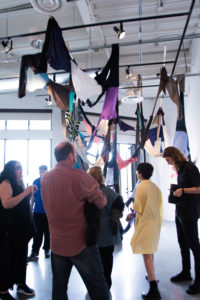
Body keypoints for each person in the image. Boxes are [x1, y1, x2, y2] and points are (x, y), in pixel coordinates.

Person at [41, 141, 110, 300]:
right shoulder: (79, 176)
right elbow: (101, 202)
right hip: (81, 243)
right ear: (71, 156)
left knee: (59, 289)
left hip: (57, 243)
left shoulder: (45, 178)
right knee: (97, 286)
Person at [163, 146, 200, 295]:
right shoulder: (181, 169)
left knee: (195, 247)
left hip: (190, 213)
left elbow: (199, 188)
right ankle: (186, 273)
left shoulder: (191, 168)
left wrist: (183, 190)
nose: (168, 163)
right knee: (183, 244)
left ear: (174, 156)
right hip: (180, 212)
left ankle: (198, 282)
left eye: (168, 160)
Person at [0, 160, 37, 300]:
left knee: (21, 258)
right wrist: (25, 193)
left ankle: (21, 283)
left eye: (21, 167)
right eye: (17, 168)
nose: (20, 170)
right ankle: (3, 290)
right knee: (8, 260)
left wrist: (28, 194)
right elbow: (7, 204)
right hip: (11, 231)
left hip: (22, 229)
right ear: (10, 169)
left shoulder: (18, 182)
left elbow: (21, 202)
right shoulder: (6, 183)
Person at [88, 166, 124, 289]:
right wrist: (114, 214)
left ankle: (95, 287)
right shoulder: (110, 192)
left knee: (93, 261)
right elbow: (120, 204)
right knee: (107, 260)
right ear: (102, 177)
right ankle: (107, 284)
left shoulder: (87, 193)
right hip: (108, 232)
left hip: (92, 232)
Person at [130, 163, 162, 299]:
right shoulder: (155, 188)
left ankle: (154, 289)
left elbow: (138, 208)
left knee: (146, 255)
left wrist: (129, 216)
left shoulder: (141, 187)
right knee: (150, 252)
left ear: (140, 173)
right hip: (155, 223)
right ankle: (151, 275)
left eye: (137, 171)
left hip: (145, 224)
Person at [28, 165, 50, 261]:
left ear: (47, 171)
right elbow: (33, 197)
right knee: (37, 233)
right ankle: (34, 251)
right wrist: (31, 208)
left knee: (48, 232)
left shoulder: (51, 182)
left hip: (49, 212)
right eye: (41, 171)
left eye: (44, 171)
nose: (42, 173)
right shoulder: (36, 182)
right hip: (37, 212)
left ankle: (47, 249)